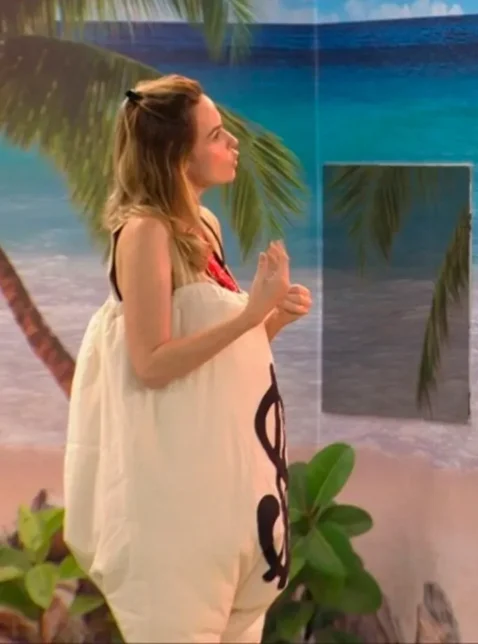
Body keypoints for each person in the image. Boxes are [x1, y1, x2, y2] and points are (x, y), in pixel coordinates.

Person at [63, 74, 313, 642]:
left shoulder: (205, 227)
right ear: (178, 155)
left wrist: (270, 321)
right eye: (217, 135)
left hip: (224, 499)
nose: (233, 144)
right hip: (171, 503)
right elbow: (151, 363)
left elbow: (209, 364)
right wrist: (249, 316)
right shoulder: (144, 233)